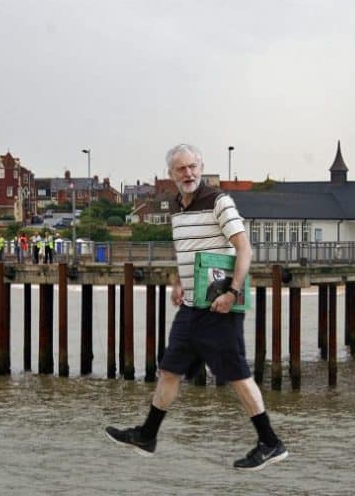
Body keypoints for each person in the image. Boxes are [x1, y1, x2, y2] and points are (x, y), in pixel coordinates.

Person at [105, 143, 288, 471]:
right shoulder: (177, 206)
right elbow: (188, 250)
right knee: (170, 370)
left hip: (219, 307)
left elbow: (245, 250)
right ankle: (147, 435)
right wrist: (179, 280)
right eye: (180, 169)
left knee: (237, 376)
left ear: (201, 168)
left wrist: (232, 292)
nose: (187, 174)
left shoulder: (219, 201)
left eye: (192, 167)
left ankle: (270, 442)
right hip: (191, 307)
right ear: (171, 174)